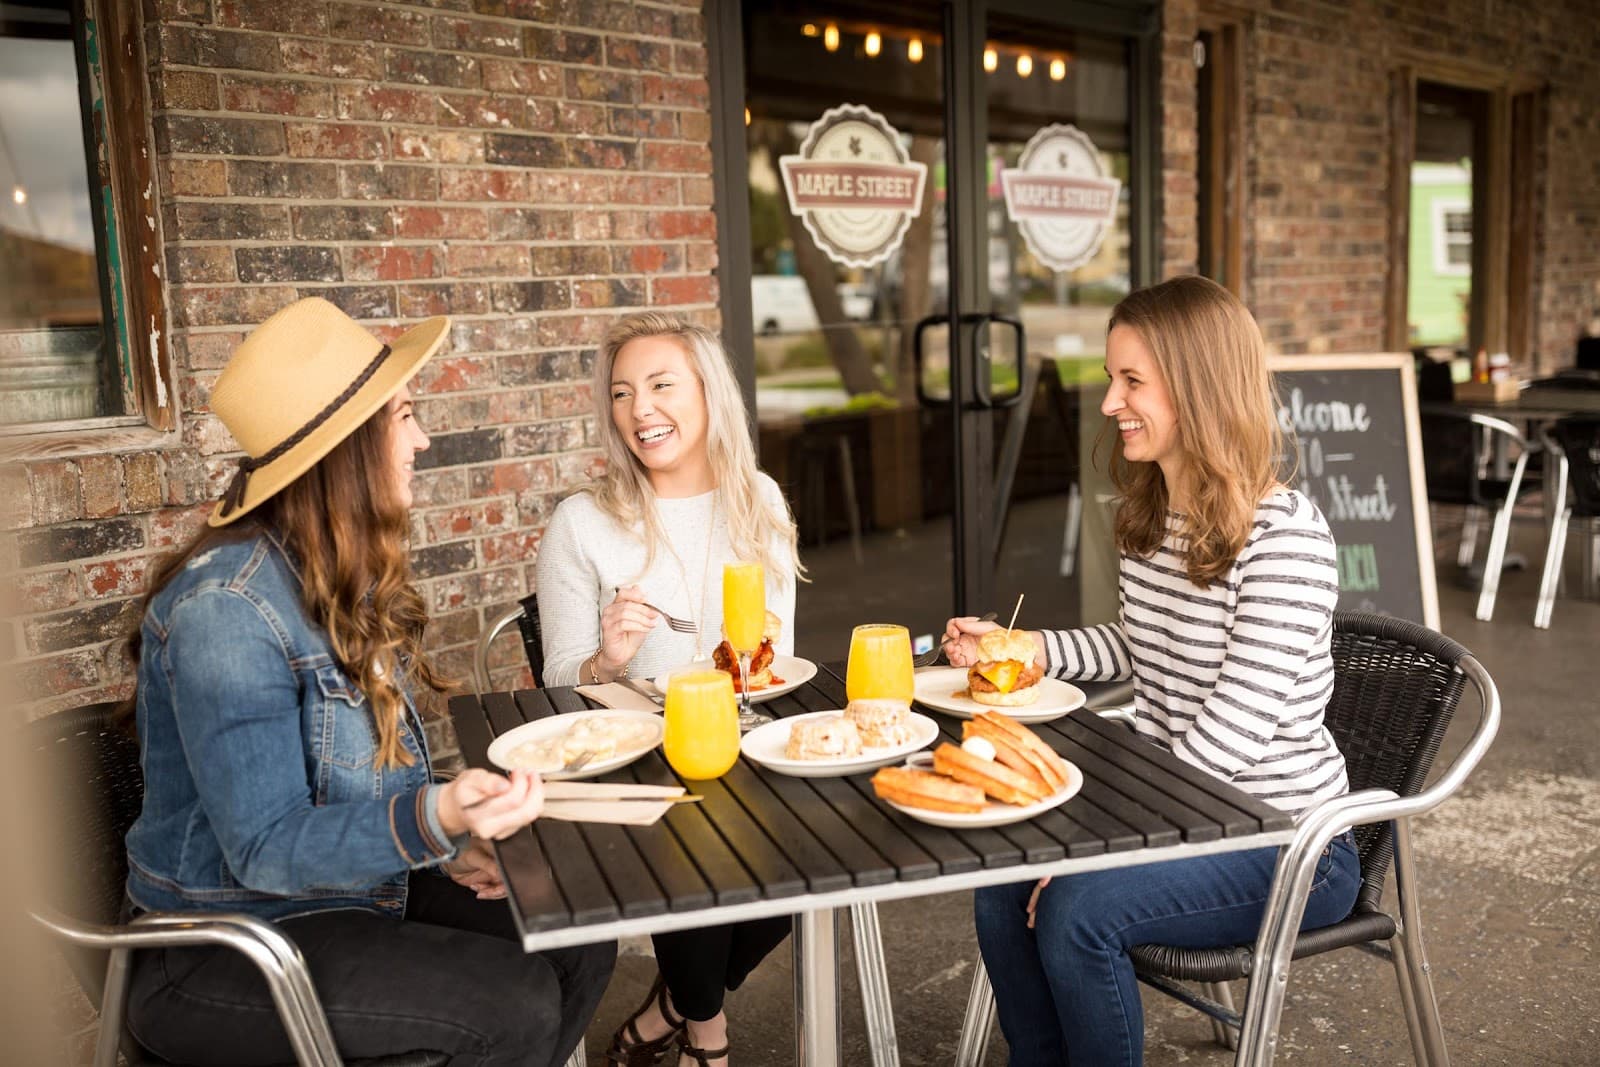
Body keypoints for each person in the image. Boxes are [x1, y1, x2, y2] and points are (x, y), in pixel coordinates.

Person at [121, 297, 614, 1066]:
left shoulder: (335, 579)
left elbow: (355, 785)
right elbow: (264, 846)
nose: (421, 438)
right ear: (347, 448)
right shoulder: (226, 609)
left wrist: (443, 843)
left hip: (349, 894)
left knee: (579, 932)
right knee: (509, 1004)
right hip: (226, 944)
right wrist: (436, 813)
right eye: (405, 416)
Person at [941, 275, 1362, 1067]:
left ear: (1199, 388)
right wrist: (1026, 647)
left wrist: (1105, 841)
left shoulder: (1286, 537)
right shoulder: (1155, 514)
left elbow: (1232, 733)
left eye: (1132, 380)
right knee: (1002, 879)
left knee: (1076, 911)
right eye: (1112, 378)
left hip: (1289, 839)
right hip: (1185, 811)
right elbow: (1139, 646)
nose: (1109, 402)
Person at [535, 312, 801, 1067]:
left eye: (659, 385)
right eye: (621, 393)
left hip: (749, 743)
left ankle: (674, 1005)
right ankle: (707, 1040)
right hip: (632, 761)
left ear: (708, 393)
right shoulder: (582, 523)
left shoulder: (760, 499)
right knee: (692, 834)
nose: (639, 410)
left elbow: (777, 655)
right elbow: (560, 677)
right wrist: (607, 658)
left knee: (800, 876)